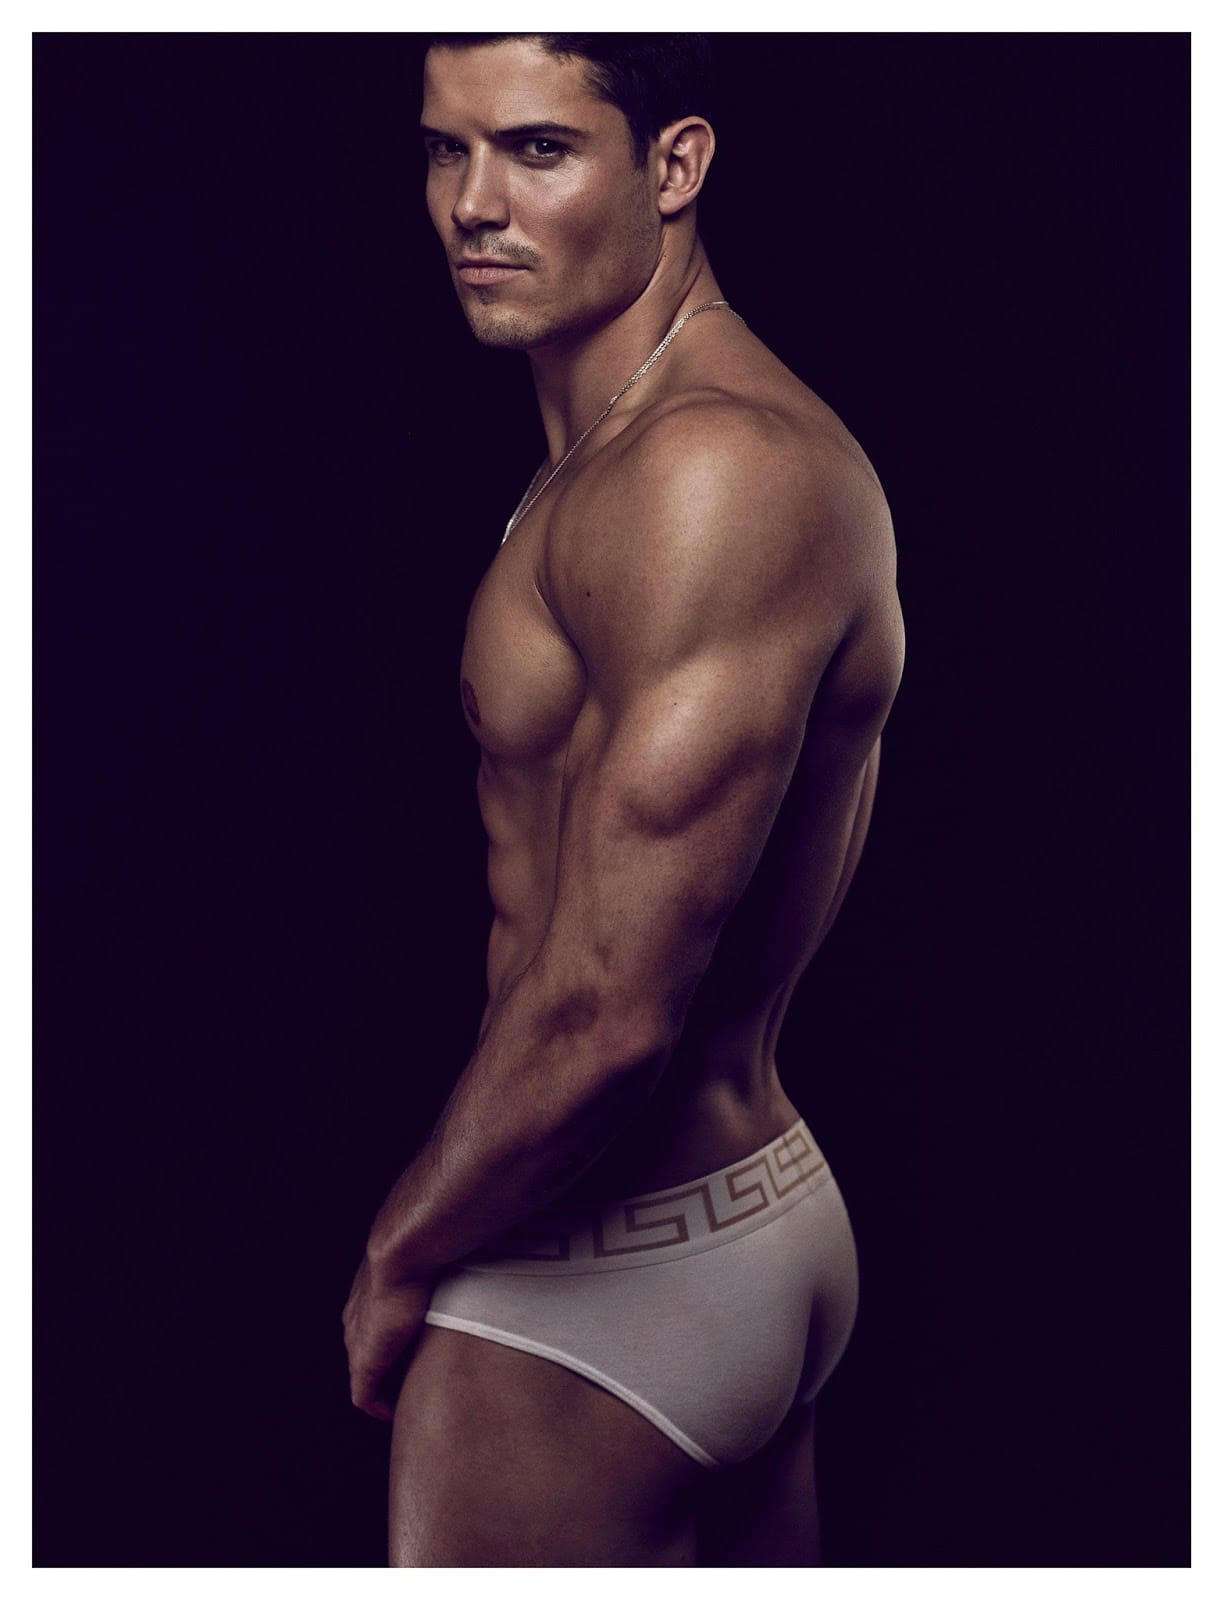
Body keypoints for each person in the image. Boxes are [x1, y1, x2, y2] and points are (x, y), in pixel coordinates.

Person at [342, 32, 905, 1567]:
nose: (473, 203)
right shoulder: (625, 446)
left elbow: (606, 1004)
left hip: (592, 1282)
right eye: (446, 149)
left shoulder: (712, 470)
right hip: (732, 1218)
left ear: (675, 165)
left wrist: (403, 1251)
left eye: (538, 148)